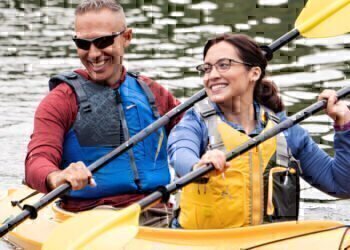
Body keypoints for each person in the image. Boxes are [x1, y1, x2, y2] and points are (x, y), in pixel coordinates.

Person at [167, 33, 350, 229]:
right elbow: (179, 154)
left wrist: (344, 126)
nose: (211, 76)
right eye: (207, 68)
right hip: (202, 243)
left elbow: (340, 184)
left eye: (224, 65)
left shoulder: (284, 130)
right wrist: (198, 166)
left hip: (264, 242)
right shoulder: (195, 122)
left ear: (254, 73)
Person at [25, 0, 181, 227]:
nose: (94, 53)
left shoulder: (152, 93)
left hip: (159, 212)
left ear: (127, 37)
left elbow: (192, 132)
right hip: (94, 218)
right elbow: (37, 160)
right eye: (83, 44)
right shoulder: (60, 101)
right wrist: (57, 176)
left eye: (103, 41)